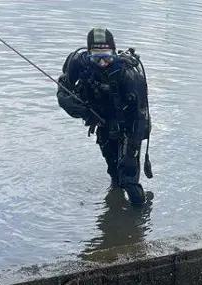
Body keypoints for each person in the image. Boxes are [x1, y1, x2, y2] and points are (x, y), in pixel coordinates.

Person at [56, 27, 152, 205]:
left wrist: (132, 152)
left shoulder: (128, 74)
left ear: (114, 52)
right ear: (88, 54)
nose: (102, 62)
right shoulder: (78, 63)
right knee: (114, 172)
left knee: (128, 180)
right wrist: (66, 102)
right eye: (96, 57)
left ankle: (142, 218)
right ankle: (116, 213)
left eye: (107, 56)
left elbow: (140, 116)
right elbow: (63, 86)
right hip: (103, 124)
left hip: (129, 127)